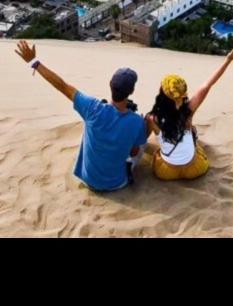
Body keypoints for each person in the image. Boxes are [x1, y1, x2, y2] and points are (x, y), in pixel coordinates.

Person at [14, 40, 146, 192]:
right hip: (116, 183)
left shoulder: (92, 108)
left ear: (110, 84)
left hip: (88, 178)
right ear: (131, 91)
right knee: (141, 139)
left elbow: (62, 86)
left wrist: (34, 62)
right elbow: (133, 153)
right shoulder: (136, 122)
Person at [145, 45, 233, 181]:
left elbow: (143, 139)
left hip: (166, 172)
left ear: (162, 94)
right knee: (195, 144)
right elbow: (207, 84)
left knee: (154, 154)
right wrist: (228, 60)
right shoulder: (188, 111)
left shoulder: (152, 118)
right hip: (195, 169)